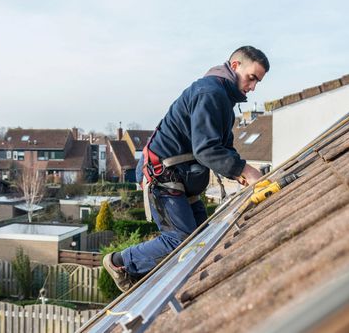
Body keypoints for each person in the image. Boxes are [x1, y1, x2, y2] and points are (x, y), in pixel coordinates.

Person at [103, 45, 270, 292]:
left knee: (203, 239)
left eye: (258, 81)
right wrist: (244, 170)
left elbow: (222, 147)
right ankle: (120, 263)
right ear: (235, 66)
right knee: (182, 241)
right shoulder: (210, 93)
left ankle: (166, 281)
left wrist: (240, 171)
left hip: (183, 176)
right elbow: (206, 150)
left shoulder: (222, 99)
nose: (253, 86)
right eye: (252, 78)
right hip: (163, 175)